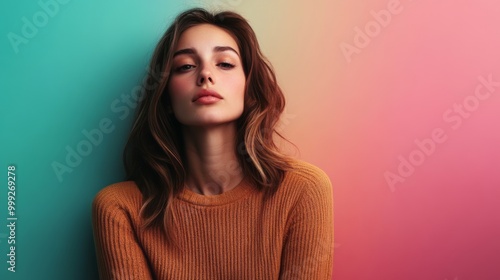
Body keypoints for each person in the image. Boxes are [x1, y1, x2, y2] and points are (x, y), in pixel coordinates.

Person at [92, 7, 334, 279]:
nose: (205, 75)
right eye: (185, 66)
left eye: (225, 64)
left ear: (249, 90)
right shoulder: (120, 208)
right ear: (166, 98)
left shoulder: (303, 190)